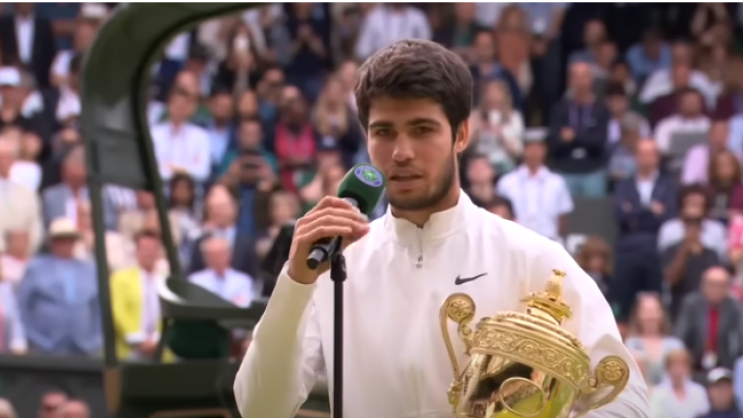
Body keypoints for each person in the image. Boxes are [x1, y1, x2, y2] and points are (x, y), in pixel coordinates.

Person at [234, 39, 647, 418]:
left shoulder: (533, 258)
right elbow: (259, 408)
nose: (401, 152)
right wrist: (295, 282)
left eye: (422, 129)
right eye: (384, 132)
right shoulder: (333, 266)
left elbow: (626, 401)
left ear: (461, 134)